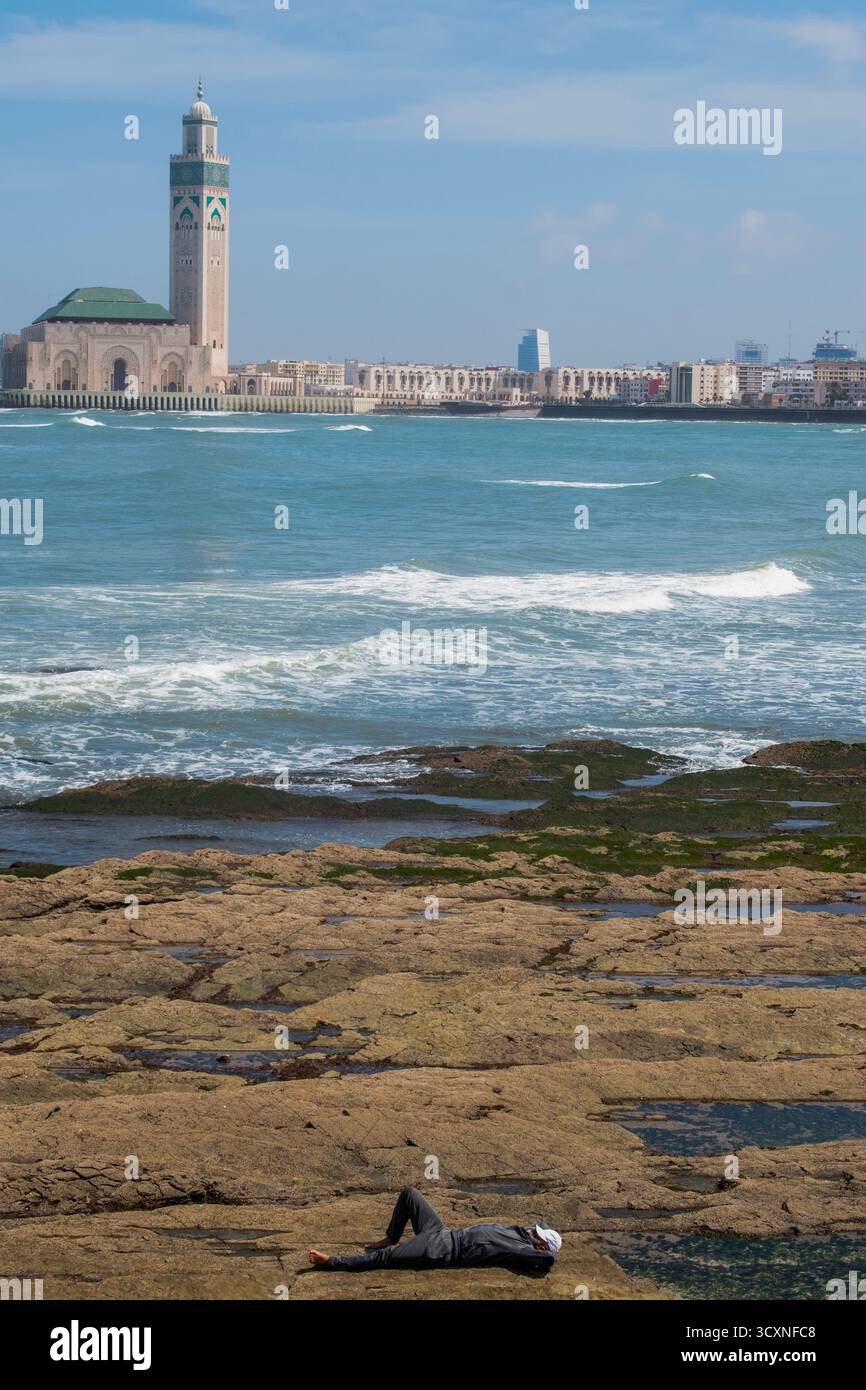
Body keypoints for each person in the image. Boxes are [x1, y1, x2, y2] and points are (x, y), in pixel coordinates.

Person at [309, 1185, 561, 1275]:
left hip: (442, 1249)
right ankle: (390, 1237)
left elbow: (548, 1259)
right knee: (409, 1193)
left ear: (539, 1245)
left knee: (385, 1259)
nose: (531, 1230)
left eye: (536, 1234)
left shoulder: (522, 1250)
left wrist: (544, 1250)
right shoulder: (520, 1234)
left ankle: (331, 1261)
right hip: (443, 1232)